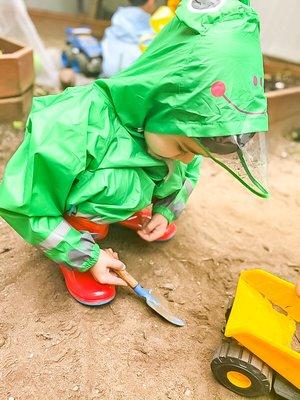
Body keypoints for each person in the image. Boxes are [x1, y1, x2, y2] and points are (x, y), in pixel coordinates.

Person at [0, 0, 269, 306]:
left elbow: (190, 169)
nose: (185, 159)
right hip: (75, 217)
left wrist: (166, 210)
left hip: (130, 190)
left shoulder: (173, 135)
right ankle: (80, 234)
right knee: (89, 205)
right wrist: (88, 257)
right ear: (155, 101)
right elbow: (28, 207)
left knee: (166, 169)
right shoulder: (74, 126)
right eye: (183, 148)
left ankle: (126, 210)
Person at [101, 0, 157, 77]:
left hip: (109, 78)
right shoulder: (150, 25)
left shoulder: (117, 19)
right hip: (135, 80)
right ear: (151, 1)